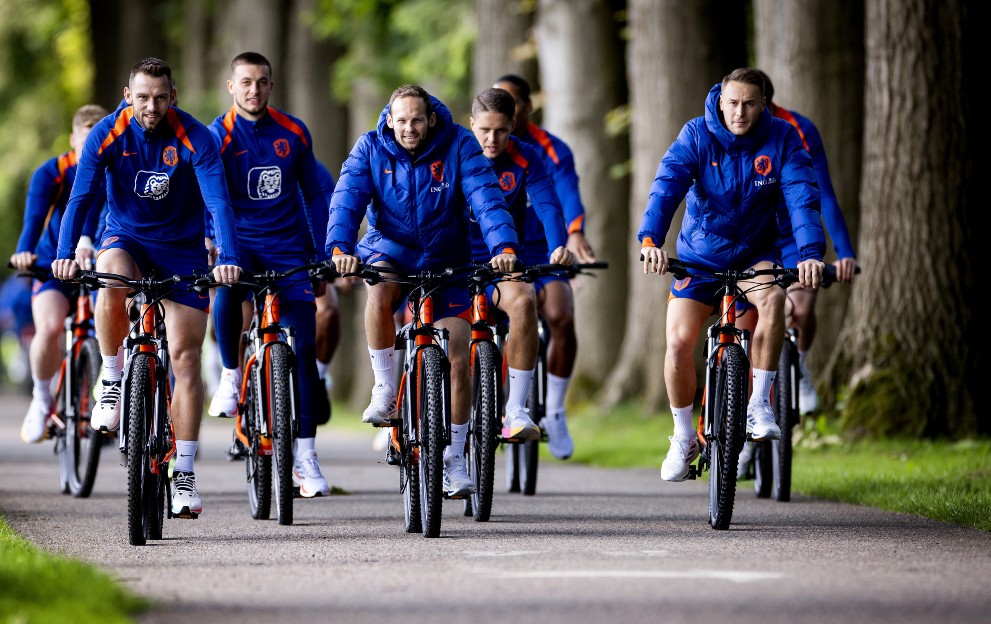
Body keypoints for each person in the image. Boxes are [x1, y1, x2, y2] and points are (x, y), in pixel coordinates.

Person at [52, 57, 242, 518]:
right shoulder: (107, 135)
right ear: (127, 95)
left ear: (172, 96)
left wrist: (230, 257)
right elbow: (80, 196)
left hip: (182, 249)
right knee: (110, 274)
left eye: (160, 98)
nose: (151, 107)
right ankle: (113, 377)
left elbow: (218, 200)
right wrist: (62, 252)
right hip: (127, 238)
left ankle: (185, 473)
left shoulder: (197, 137)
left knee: (185, 355)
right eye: (142, 98)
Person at [326, 84, 520, 497]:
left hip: (447, 254)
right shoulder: (370, 148)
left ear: (431, 118)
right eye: (402, 121)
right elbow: (347, 199)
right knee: (376, 293)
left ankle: (454, 458)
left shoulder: (459, 144)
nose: (409, 129)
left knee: (458, 355)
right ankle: (384, 388)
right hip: (389, 249)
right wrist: (341, 248)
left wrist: (503, 246)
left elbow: (486, 197)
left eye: (417, 120)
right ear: (389, 119)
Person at [637, 67, 826, 482]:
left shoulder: (783, 137)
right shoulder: (695, 136)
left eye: (749, 104)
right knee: (679, 341)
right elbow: (666, 187)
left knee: (775, 299)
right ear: (721, 101)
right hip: (700, 258)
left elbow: (802, 198)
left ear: (763, 104)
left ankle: (759, 403)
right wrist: (651, 240)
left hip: (755, 256)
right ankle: (683, 435)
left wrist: (810, 254)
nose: (740, 113)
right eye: (733, 103)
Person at [205, 52, 332, 498]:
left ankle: (306, 455)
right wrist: (213, 243)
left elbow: (314, 193)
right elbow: (205, 196)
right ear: (231, 86)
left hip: (289, 249)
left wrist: (322, 252)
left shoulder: (294, 131)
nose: (253, 90)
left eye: (261, 82)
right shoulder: (214, 137)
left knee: (305, 347)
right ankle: (229, 374)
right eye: (245, 82)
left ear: (271, 86)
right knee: (226, 285)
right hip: (238, 247)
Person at [492, 74, 596, 460]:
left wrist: (574, 234)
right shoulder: (478, 150)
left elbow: (564, 197)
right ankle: (486, 401)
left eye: (513, 102)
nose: (506, 109)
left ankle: (553, 410)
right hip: (500, 251)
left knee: (560, 314)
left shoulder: (550, 150)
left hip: (544, 250)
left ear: (527, 107)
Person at [467, 87, 574, 441]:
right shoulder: (453, 155)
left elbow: (548, 205)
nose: (492, 139)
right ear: (471, 125)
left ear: (513, 125)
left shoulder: (529, 157)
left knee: (525, 300)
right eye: (484, 130)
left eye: (500, 130)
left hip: (504, 260)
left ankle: (516, 409)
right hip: (455, 263)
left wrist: (559, 244)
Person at [759, 70, 858, 414]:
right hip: (752, 237)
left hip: (792, 234)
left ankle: (798, 368)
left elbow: (823, 194)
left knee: (799, 309)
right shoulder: (727, 129)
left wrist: (844, 252)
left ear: (767, 104)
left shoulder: (798, 129)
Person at [10, 104, 108, 443]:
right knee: (49, 327)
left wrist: (94, 245)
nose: (91, 149)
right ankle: (41, 398)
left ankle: (110, 393)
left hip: (100, 262)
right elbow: (34, 219)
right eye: (85, 141)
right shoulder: (51, 172)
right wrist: (25, 251)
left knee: (114, 324)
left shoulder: (115, 169)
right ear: (73, 139)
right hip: (54, 263)